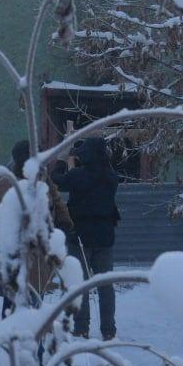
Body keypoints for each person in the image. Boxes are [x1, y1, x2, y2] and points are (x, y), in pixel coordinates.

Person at [51, 136, 119, 340]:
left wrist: (63, 160)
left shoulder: (78, 176)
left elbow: (57, 179)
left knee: (81, 284)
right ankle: (108, 329)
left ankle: (82, 327)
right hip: (105, 237)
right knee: (106, 285)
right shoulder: (111, 177)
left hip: (79, 236)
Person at [0, 140, 74, 301]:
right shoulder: (7, 182)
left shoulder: (43, 180)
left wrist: (65, 223)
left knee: (36, 297)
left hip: (40, 254)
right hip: (16, 252)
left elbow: (57, 201)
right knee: (14, 301)